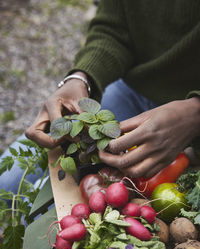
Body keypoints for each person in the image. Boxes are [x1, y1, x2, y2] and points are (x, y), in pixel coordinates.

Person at [1, 0, 200, 192]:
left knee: (46, 216)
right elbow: (113, 28)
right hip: (134, 89)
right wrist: (80, 78)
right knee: (7, 183)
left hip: (191, 117)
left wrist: (195, 114)